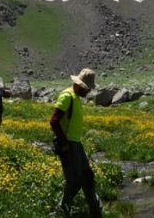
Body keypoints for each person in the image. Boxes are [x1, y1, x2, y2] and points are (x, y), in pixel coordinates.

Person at [49, 68, 102, 218]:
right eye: (87, 88)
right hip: (68, 144)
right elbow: (54, 121)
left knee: (87, 176)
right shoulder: (67, 96)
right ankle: (63, 209)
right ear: (79, 85)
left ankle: (95, 210)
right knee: (75, 180)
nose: (88, 91)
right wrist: (64, 142)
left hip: (75, 143)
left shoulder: (76, 97)